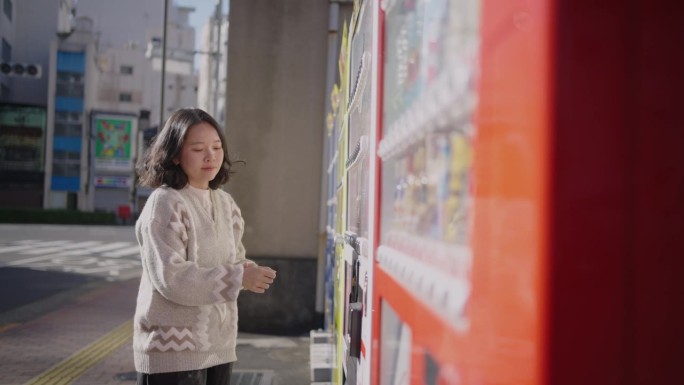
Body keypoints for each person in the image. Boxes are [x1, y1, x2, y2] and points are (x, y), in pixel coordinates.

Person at [133, 108, 276, 385]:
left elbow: (234, 259)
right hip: (171, 354)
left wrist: (248, 271)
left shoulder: (226, 204)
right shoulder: (165, 204)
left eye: (217, 146)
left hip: (219, 347)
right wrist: (237, 277)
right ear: (174, 155)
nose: (211, 156)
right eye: (198, 149)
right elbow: (171, 278)